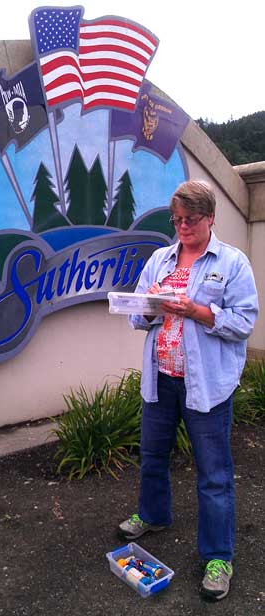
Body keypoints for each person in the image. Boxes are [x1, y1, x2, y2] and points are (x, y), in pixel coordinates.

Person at [118, 180, 258, 601]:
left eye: (190, 220)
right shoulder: (161, 260)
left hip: (207, 386)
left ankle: (218, 557)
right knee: (153, 456)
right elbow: (138, 316)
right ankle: (155, 515)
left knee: (214, 476)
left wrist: (195, 310)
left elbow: (244, 322)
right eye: (176, 219)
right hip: (161, 378)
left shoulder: (231, 263)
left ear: (210, 217)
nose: (182, 226)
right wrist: (148, 307)